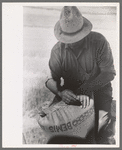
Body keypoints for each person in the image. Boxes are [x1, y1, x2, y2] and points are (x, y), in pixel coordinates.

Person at [45, 6, 116, 144]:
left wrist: (85, 90)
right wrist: (61, 93)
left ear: (84, 31)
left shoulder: (99, 41)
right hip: (69, 93)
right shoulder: (57, 51)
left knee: (103, 132)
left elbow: (109, 73)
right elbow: (50, 80)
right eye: (68, 38)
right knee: (56, 133)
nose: (73, 41)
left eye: (76, 37)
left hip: (100, 90)